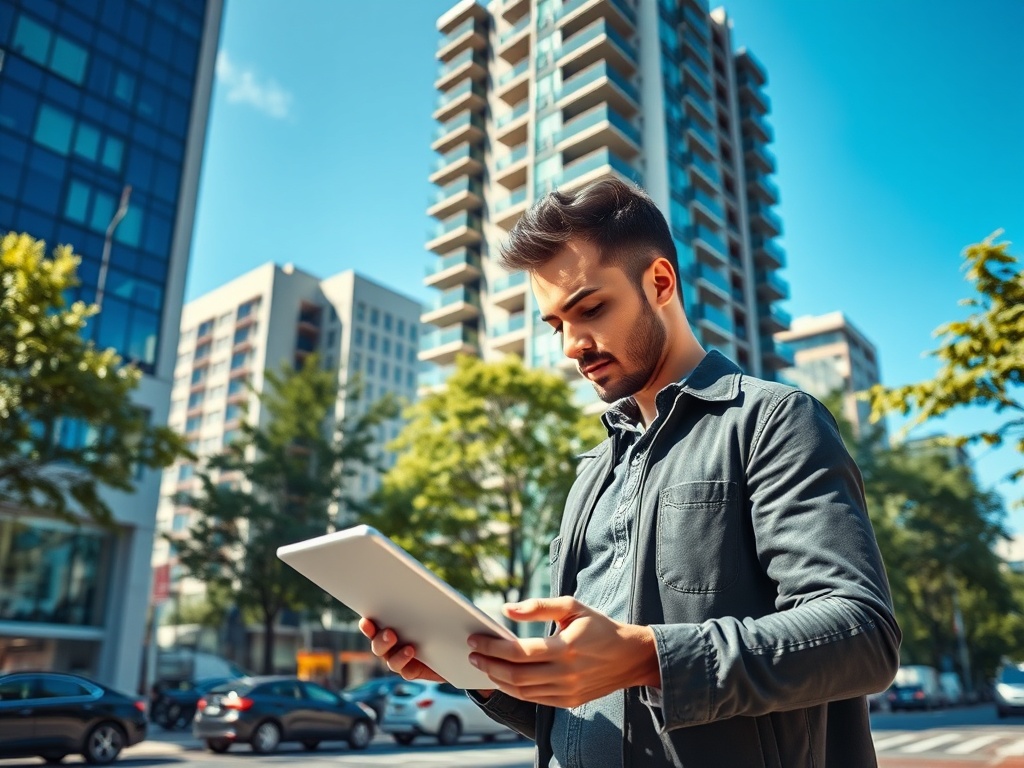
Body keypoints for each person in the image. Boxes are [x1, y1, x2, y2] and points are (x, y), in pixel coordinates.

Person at [360, 178, 900, 767]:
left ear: (660, 282)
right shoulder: (589, 477)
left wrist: (650, 657)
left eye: (590, 309)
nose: (571, 345)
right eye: (555, 324)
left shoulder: (774, 421)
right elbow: (575, 713)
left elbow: (862, 633)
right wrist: (484, 676)